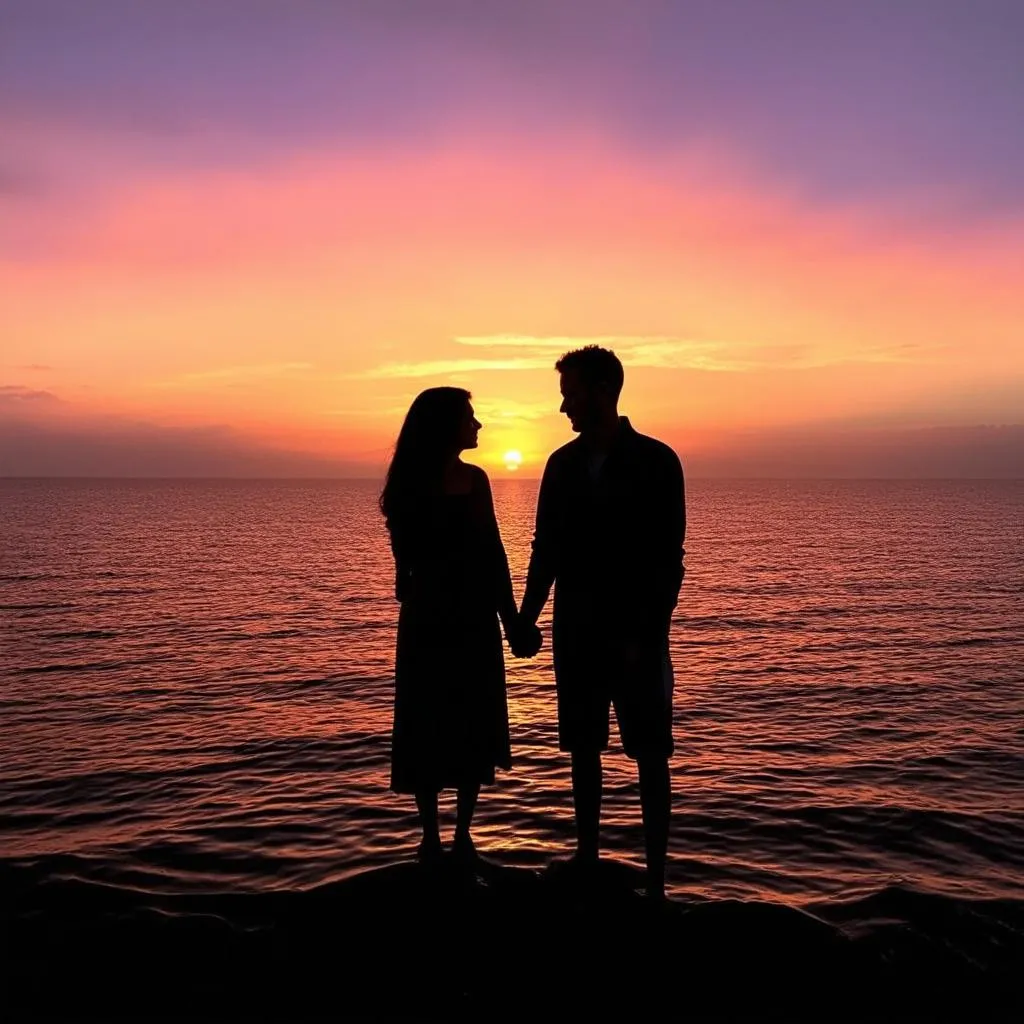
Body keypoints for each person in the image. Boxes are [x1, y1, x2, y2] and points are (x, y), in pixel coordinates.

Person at [519, 346, 685, 898]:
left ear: (599, 391)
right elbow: (546, 550)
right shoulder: (560, 466)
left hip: (637, 636)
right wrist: (526, 618)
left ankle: (656, 883)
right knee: (583, 748)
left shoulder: (659, 462)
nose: (562, 405)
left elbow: (669, 559)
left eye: (569, 393)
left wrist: (649, 636)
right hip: (577, 632)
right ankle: (588, 860)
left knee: (650, 753)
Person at [380, 386, 537, 864]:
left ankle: (462, 835)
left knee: (473, 721)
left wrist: (511, 622)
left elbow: (493, 553)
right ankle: (431, 837)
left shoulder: (476, 479)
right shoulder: (411, 483)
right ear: (446, 424)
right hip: (431, 619)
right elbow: (407, 559)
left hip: (470, 617)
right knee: (427, 722)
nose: (478, 425)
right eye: (470, 417)